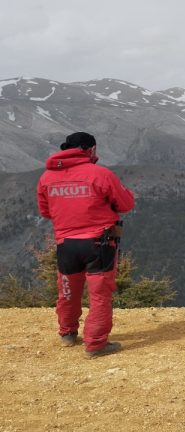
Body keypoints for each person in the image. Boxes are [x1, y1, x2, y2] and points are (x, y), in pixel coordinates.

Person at [37, 132, 135, 358]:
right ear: (90, 150)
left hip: (66, 243)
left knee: (68, 291)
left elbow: (45, 211)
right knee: (100, 295)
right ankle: (96, 344)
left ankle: (67, 334)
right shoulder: (100, 174)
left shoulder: (46, 178)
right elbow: (126, 204)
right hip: (99, 243)